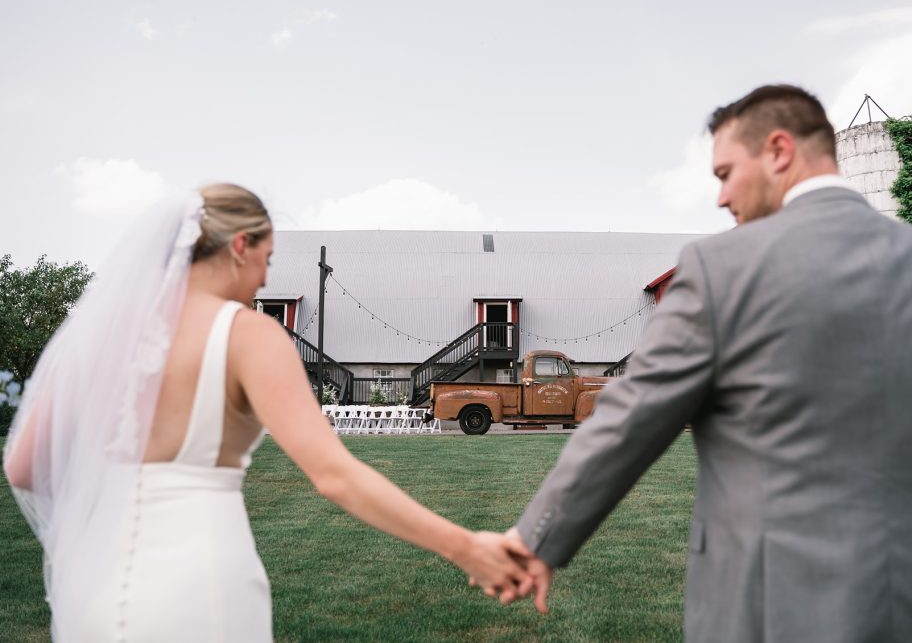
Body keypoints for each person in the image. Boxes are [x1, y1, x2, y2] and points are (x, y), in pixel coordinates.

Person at [506, 85, 912, 641]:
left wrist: (534, 541)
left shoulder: (720, 269)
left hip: (773, 616)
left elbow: (626, 422)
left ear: (779, 150)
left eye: (726, 173)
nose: (722, 198)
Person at [3, 184, 531, 642]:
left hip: (98, 587)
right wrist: (464, 546)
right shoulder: (247, 333)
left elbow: (24, 466)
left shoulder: (102, 336)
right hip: (199, 582)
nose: (263, 278)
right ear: (239, 247)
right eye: (267, 259)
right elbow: (334, 476)